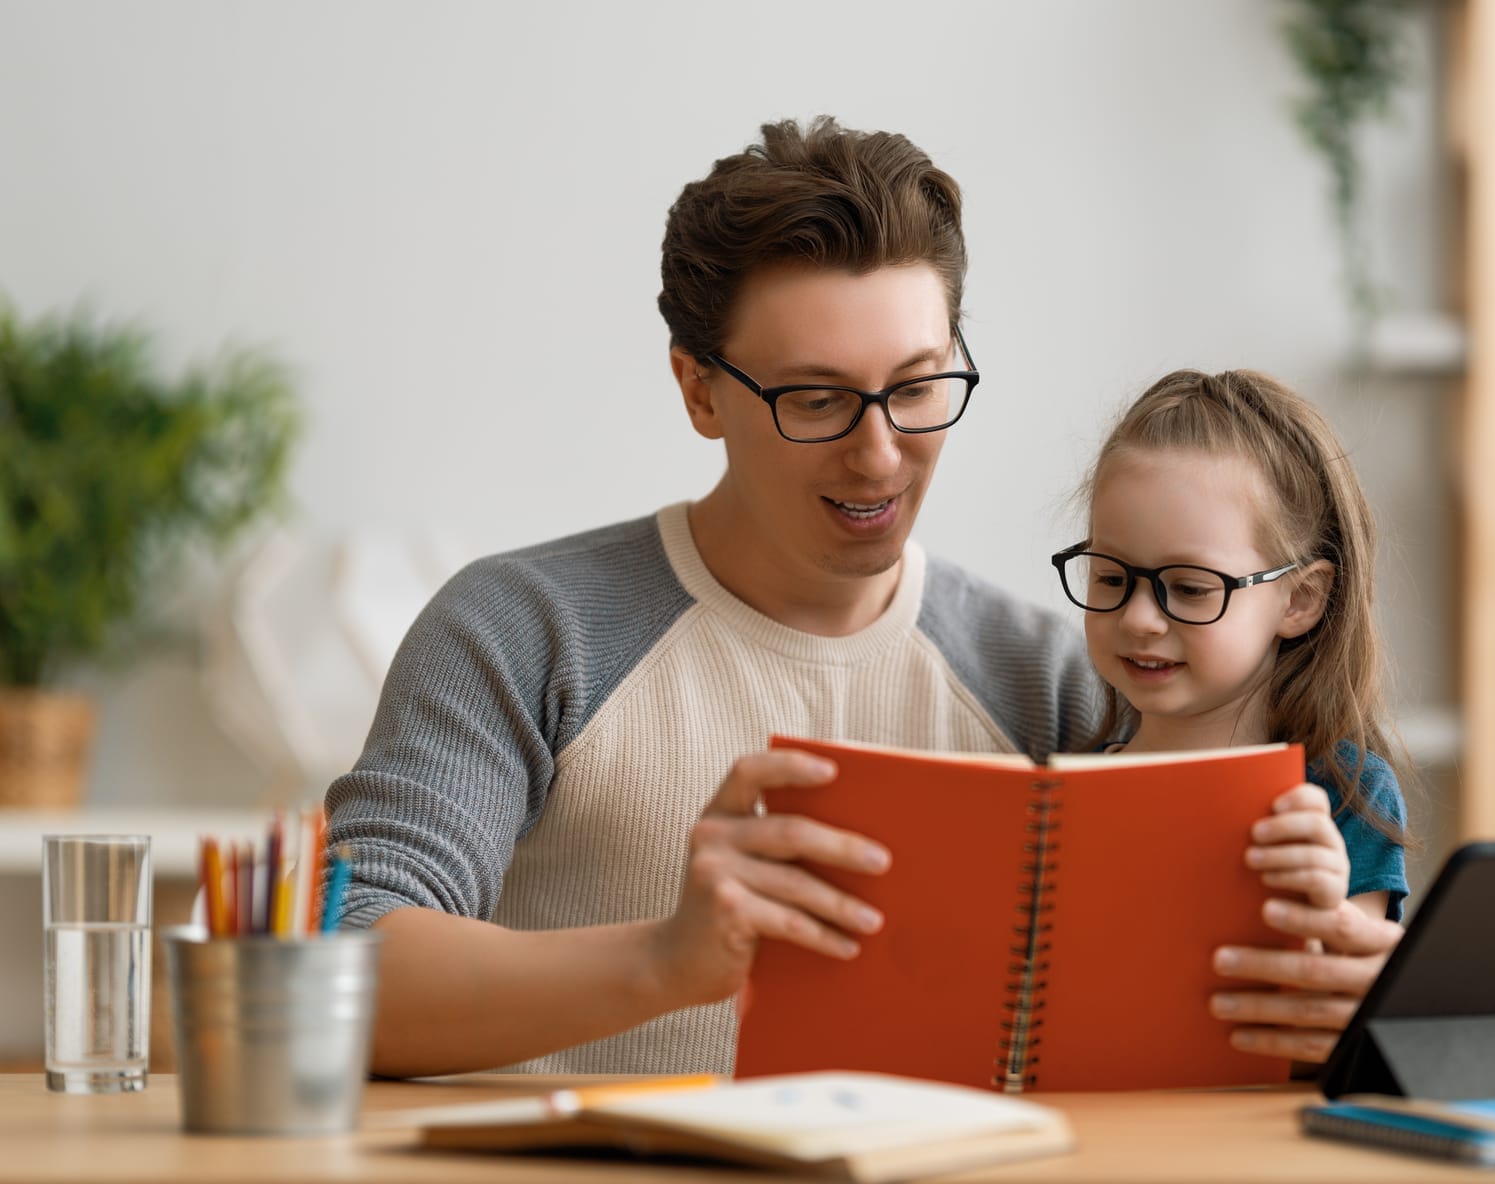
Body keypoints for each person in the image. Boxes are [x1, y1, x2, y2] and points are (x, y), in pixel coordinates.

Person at [325, 117, 1401, 1079]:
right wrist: (665, 957)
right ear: (700, 387)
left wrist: (1355, 1003)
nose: (880, 451)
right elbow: (336, 974)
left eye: (919, 384)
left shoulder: (1064, 683)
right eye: (815, 397)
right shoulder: (525, 628)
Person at [1050, 367, 1414, 1066]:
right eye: (1110, 577)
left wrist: (1318, 907)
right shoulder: (1062, 787)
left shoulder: (1343, 795)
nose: (1138, 619)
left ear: (1300, 599)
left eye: (1189, 587)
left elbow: (1328, 1029)